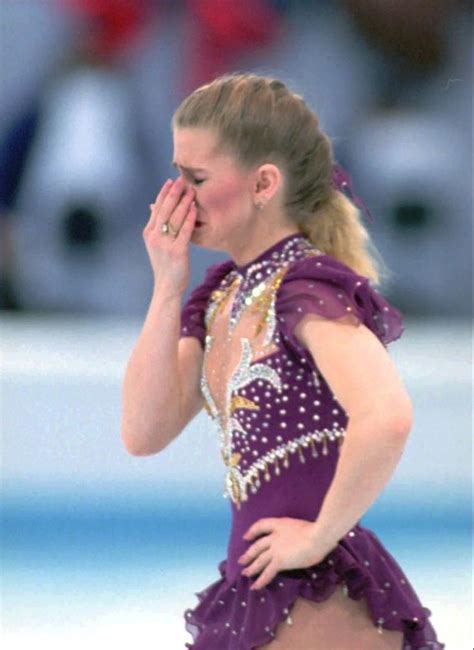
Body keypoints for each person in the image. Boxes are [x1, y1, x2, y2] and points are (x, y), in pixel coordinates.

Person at [121, 73, 445, 649]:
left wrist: (319, 537)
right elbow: (143, 432)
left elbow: (388, 416)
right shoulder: (222, 295)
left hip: (318, 597)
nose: (177, 195)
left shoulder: (304, 290)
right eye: (176, 174)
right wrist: (168, 283)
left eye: (196, 178)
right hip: (263, 589)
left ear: (263, 183)